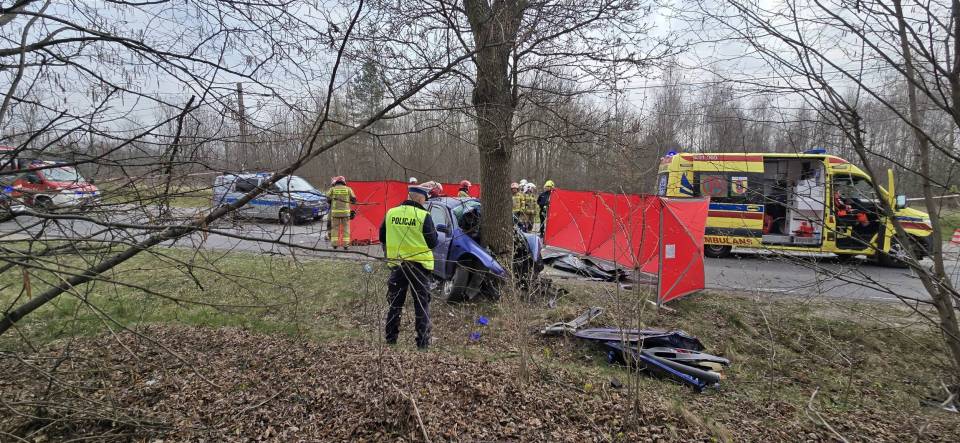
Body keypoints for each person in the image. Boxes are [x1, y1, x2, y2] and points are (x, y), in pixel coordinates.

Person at [379, 184, 438, 349]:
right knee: (421, 305)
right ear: (420, 198)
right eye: (425, 199)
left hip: (397, 266)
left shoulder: (391, 213)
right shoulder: (423, 216)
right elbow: (432, 242)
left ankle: (391, 340)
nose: (425, 202)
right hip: (419, 268)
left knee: (395, 304)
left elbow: (382, 236)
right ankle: (423, 344)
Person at [327, 176, 356, 249]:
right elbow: (354, 199)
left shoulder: (332, 189)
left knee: (335, 228)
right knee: (346, 229)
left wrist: (331, 200)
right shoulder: (348, 189)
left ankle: (334, 244)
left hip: (335, 213)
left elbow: (327, 197)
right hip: (345, 213)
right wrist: (351, 201)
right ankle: (346, 245)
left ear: (336, 182)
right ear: (344, 181)